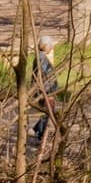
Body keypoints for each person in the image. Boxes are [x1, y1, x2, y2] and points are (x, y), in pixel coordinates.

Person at [26, 34, 59, 167]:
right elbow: (45, 77)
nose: (52, 47)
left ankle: (37, 130)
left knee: (47, 113)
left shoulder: (41, 57)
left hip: (43, 91)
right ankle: (41, 137)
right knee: (48, 113)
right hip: (46, 92)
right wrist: (49, 93)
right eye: (50, 45)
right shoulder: (42, 59)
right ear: (45, 46)